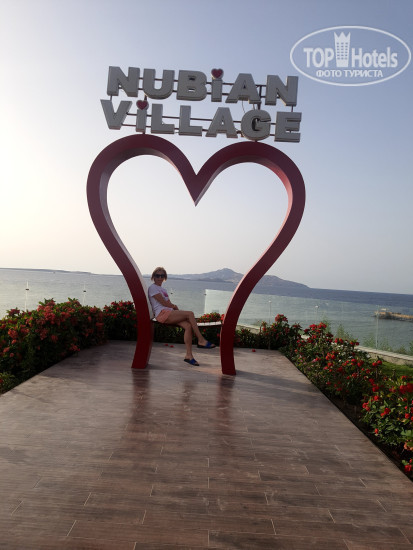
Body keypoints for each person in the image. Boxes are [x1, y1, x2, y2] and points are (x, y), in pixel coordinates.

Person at [148, 267, 215, 366]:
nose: (160, 278)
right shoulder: (153, 288)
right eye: (157, 275)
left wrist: (175, 309)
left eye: (162, 276)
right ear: (153, 277)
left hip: (168, 312)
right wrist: (174, 306)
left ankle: (189, 356)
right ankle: (201, 340)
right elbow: (164, 303)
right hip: (161, 314)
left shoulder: (163, 290)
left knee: (188, 326)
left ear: (165, 277)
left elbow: (168, 303)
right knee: (190, 314)